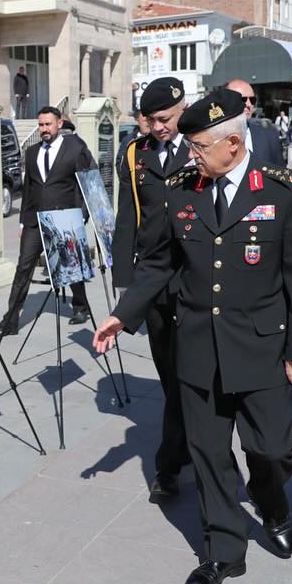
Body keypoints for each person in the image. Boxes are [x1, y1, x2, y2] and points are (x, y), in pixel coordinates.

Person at [94, 87, 292, 584]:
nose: (190, 155)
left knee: (272, 448)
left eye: (199, 148)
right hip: (195, 344)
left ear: (233, 147)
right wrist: (121, 315)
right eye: (191, 147)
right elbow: (160, 263)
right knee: (209, 454)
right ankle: (223, 548)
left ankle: (273, 503)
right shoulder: (182, 189)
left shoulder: (285, 190)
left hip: (262, 346)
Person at [109, 76, 191, 501]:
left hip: (195, 278)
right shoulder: (134, 154)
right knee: (171, 378)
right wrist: (124, 279)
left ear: (182, 110)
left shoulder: (201, 146)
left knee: (186, 378)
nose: (159, 128)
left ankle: (170, 464)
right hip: (153, 283)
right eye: (152, 120)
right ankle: (188, 445)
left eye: (167, 119)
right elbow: (127, 218)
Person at [0, 106, 96, 335]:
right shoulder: (32, 153)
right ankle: (10, 319)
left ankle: (80, 306)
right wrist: (22, 221)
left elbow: (89, 183)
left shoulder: (75, 148)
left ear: (59, 123)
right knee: (23, 267)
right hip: (34, 220)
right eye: (40, 125)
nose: (44, 129)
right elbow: (29, 188)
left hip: (64, 218)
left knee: (71, 264)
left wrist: (83, 215)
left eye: (48, 124)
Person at [224, 79, 287, 167]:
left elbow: (280, 173)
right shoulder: (210, 138)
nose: (249, 104)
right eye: (243, 99)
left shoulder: (269, 135)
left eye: (252, 100)